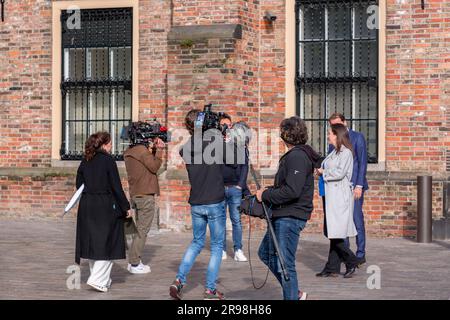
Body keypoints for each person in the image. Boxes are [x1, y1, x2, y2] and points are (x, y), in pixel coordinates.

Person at [169, 109, 237, 300]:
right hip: (215, 200)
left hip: (197, 202)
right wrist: (226, 136)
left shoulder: (187, 147)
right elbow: (233, 162)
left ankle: (179, 280)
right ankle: (210, 289)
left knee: (197, 242)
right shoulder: (214, 142)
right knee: (216, 247)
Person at [256, 116, 321, 300]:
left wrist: (266, 195)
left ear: (286, 134)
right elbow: (288, 185)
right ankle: (295, 292)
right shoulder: (296, 155)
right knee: (266, 253)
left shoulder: (298, 156)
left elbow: (292, 190)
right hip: (281, 214)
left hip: (290, 216)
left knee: (286, 264)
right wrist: (269, 191)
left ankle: (292, 295)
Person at [75, 132, 133, 292]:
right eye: (110, 143)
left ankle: (103, 280)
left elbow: (79, 184)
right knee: (109, 242)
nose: (112, 145)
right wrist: (126, 206)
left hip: (87, 205)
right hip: (105, 206)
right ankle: (96, 279)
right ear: (104, 144)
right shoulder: (108, 160)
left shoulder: (86, 160)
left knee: (95, 242)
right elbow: (116, 186)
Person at [316, 124, 359, 278]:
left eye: (329, 133)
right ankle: (332, 267)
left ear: (336, 135)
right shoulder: (334, 152)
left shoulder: (346, 153)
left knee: (336, 233)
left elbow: (340, 173)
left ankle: (351, 261)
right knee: (333, 231)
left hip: (340, 197)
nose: (328, 136)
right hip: (330, 195)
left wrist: (323, 172)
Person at [328, 113, 369, 266]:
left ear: (345, 122)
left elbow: (362, 162)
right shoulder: (332, 140)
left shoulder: (357, 137)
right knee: (342, 221)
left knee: (357, 219)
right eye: (333, 126)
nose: (335, 128)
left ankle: (360, 253)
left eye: (338, 124)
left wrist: (359, 185)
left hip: (354, 186)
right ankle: (346, 253)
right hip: (340, 188)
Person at [123, 131, 165, 274]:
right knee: (142, 230)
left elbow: (145, 166)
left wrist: (152, 149)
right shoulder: (142, 151)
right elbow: (154, 167)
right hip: (145, 196)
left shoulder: (129, 151)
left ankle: (134, 260)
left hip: (136, 194)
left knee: (138, 229)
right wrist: (159, 150)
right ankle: (134, 263)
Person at [219, 114, 248, 262]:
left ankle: (238, 249)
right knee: (221, 220)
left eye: (228, 125)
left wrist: (240, 185)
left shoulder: (239, 142)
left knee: (236, 220)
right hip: (220, 187)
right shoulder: (215, 143)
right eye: (223, 125)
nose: (226, 128)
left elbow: (244, 165)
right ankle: (222, 249)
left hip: (235, 187)